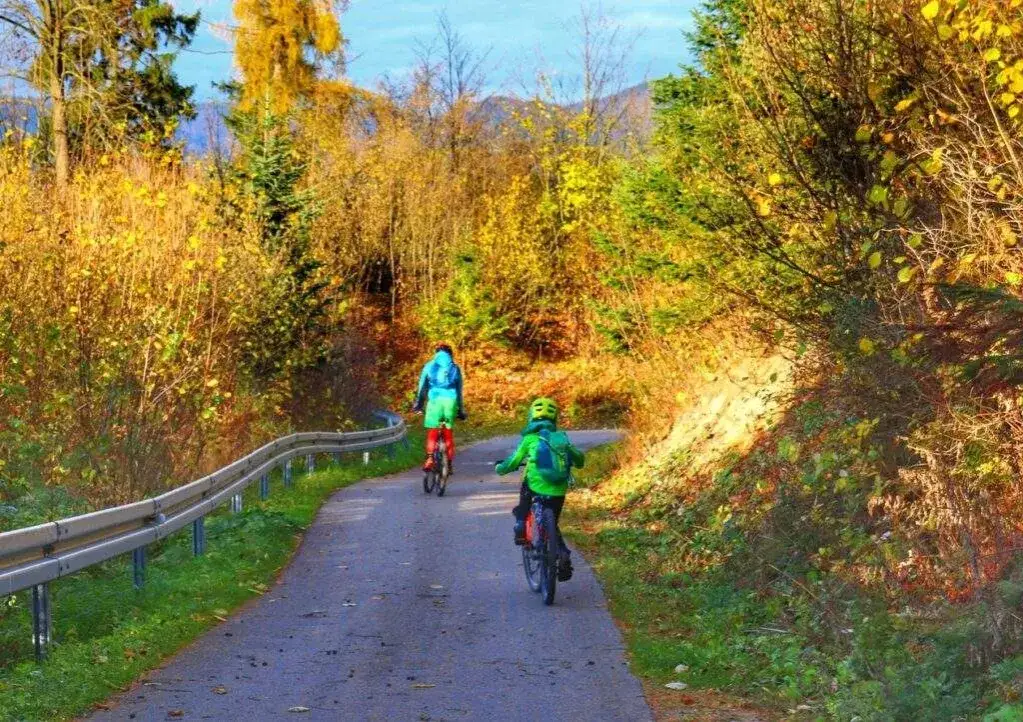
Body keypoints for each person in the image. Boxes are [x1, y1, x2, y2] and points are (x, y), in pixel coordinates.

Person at [495, 397, 584, 582]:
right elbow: (580, 461)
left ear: (531, 417)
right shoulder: (561, 438)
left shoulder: (529, 439)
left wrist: (500, 468)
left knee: (526, 491)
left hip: (535, 487)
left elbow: (513, 461)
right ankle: (563, 553)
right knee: (554, 525)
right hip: (559, 490)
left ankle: (520, 525)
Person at [412, 343, 466, 472]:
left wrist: (418, 405)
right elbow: (459, 391)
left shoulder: (429, 366)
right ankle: (449, 464)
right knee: (448, 433)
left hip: (435, 401)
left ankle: (430, 459)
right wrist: (460, 410)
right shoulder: (455, 368)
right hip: (450, 402)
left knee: (433, 431)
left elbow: (422, 388)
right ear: (450, 354)